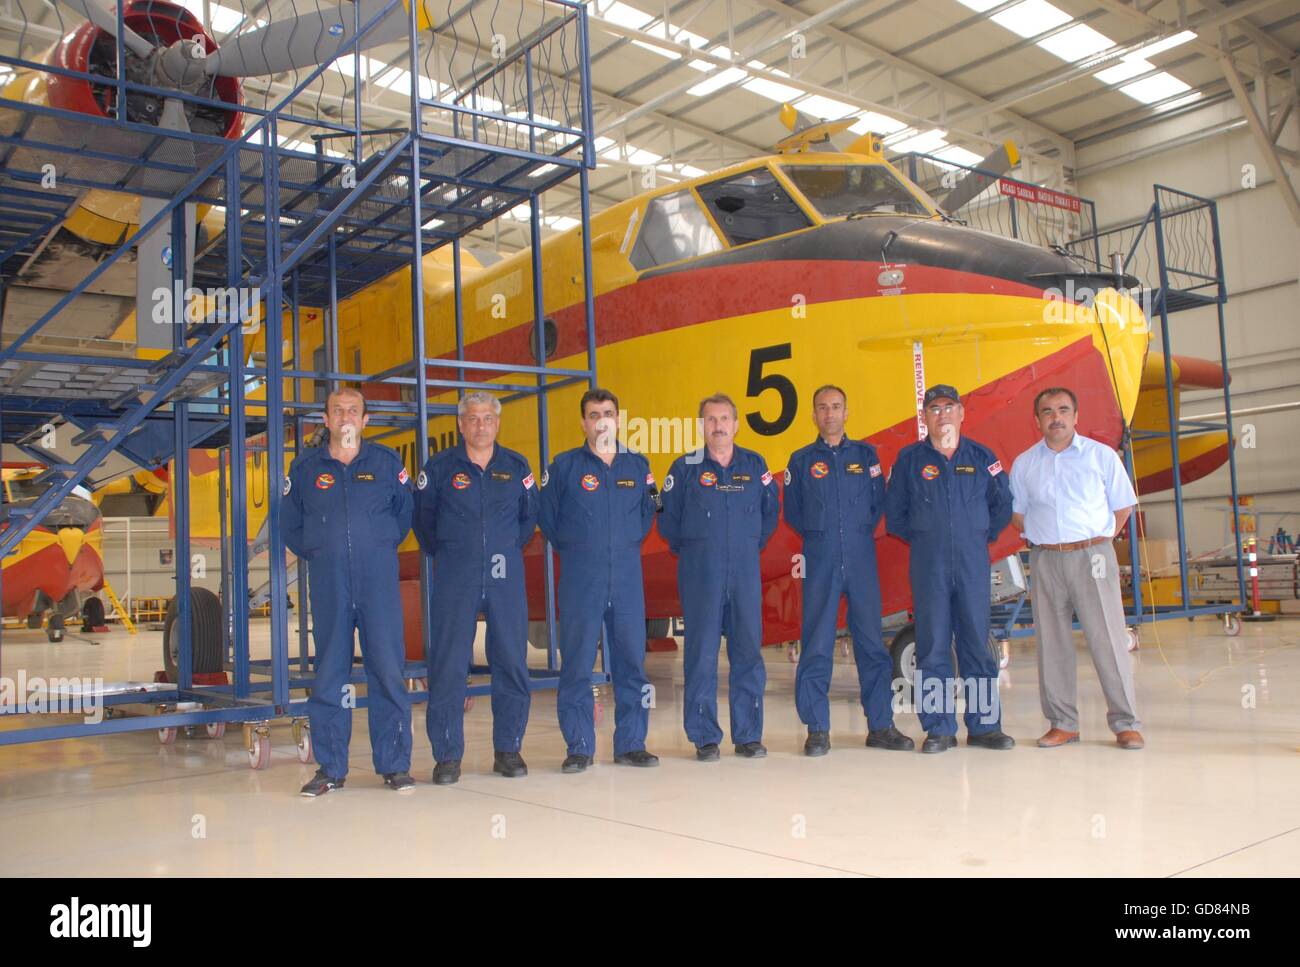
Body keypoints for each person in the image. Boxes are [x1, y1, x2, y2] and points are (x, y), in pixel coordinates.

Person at [283, 387, 415, 796]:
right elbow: (290, 524)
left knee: (388, 670)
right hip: (329, 583)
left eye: (352, 411)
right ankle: (330, 768)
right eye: (337, 411)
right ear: (325, 420)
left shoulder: (387, 463)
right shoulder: (305, 468)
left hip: (377, 582)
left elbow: (404, 515)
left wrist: (377, 545)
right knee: (330, 675)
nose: (345, 417)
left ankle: (394, 765)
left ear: (364, 420)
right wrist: (323, 552)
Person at [413, 391, 539, 784]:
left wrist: (498, 551)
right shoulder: (438, 468)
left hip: (505, 577)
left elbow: (527, 520)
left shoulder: (517, 467)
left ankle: (508, 750)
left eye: (487, 418)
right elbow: (423, 521)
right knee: (449, 665)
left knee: (511, 663)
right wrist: (454, 553)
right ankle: (447, 756)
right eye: (472, 418)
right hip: (456, 575)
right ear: (460, 425)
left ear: (497, 423)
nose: (480, 425)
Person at [1009, 387, 1143, 750]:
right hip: (1046, 558)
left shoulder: (1100, 457)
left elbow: (1122, 506)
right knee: (1051, 644)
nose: (1056, 417)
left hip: (1093, 557)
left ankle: (1125, 723)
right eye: (1048, 411)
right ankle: (1063, 723)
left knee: (1108, 640)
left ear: (1076, 416)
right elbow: (1016, 512)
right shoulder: (1024, 464)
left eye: (1064, 410)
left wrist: (1098, 541)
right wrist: (1044, 536)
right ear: (1037, 420)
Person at [783, 385, 913, 756]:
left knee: (871, 645)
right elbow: (793, 512)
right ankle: (817, 729)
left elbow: (877, 505)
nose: (829, 414)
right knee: (817, 645)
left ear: (846, 412)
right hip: (820, 559)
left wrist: (855, 534)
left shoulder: (866, 456)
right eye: (822, 407)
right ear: (813, 415)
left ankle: (881, 725)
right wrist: (822, 534)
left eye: (836, 406)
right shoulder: (801, 461)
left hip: (860, 559)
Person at [885, 384, 1015, 753]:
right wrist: (929, 536)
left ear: (961, 413)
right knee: (933, 646)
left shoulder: (982, 456)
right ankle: (939, 728)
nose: (942, 414)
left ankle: (985, 726)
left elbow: (1002, 505)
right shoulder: (909, 461)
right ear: (924, 417)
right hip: (929, 566)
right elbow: (895, 515)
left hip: (973, 564)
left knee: (976, 643)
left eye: (948, 407)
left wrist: (978, 535)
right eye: (934, 409)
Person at [539, 388, 659, 773]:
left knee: (631, 663)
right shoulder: (564, 467)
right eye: (594, 414)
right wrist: (580, 548)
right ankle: (578, 746)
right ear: (584, 422)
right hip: (581, 578)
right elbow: (548, 518)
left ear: (619, 419)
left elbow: (647, 515)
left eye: (608, 412)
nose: (601, 420)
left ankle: (631, 743)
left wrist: (620, 545)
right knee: (575, 664)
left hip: (626, 578)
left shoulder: (638, 466)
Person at [658, 393, 779, 761]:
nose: (718, 426)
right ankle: (704, 736)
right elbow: (666, 519)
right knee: (700, 654)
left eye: (725, 419)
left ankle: (748, 736)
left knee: (747, 653)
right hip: (701, 574)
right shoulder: (683, 468)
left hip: (744, 572)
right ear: (701, 426)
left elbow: (769, 513)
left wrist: (745, 545)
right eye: (711, 420)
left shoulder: (755, 464)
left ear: (736, 424)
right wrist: (697, 548)